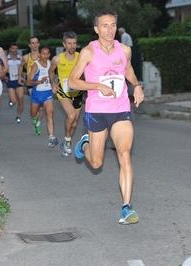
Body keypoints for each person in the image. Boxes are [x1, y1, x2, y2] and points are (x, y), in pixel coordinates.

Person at [68, 9, 144, 225]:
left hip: (120, 109)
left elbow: (128, 70)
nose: (109, 30)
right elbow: (73, 82)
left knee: (125, 154)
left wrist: (136, 85)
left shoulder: (125, 50)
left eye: (112, 25)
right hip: (97, 110)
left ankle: (126, 208)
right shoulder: (88, 52)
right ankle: (85, 145)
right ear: (96, 29)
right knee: (96, 163)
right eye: (104, 25)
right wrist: (97, 85)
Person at [49, 31, 83, 157]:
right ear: (64, 44)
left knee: (74, 123)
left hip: (78, 93)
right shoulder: (57, 59)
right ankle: (67, 142)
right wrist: (53, 84)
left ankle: (66, 140)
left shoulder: (81, 57)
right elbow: (51, 71)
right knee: (71, 115)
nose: (72, 46)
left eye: (74, 43)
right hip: (63, 92)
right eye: (69, 43)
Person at [26, 45, 58, 148]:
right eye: (43, 53)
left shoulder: (50, 64)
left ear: (49, 55)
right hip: (36, 95)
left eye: (47, 54)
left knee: (49, 114)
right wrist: (39, 81)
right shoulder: (36, 66)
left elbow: (52, 75)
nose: (45, 56)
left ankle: (51, 138)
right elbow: (28, 82)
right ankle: (35, 119)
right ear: (39, 54)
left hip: (47, 93)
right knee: (33, 113)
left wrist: (53, 84)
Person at [18, 37, 44, 135]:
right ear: (29, 45)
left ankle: (38, 124)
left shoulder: (43, 57)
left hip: (41, 84)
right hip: (31, 84)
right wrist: (19, 76)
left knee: (42, 107)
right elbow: (21, 66)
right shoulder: (26, 57)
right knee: (36, 103)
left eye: (36, 43)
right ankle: (34, 117)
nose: (35, 45)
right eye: (32, 43)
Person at [5, 42, 23, 123]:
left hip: (18, 80)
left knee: (21, 99)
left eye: (16, 48)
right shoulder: (6, 58)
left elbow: (25, 68)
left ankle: (18, 116)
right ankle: (11, 101)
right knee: (14, 101)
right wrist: (4, 76)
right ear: (10, 49)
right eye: (13, 48)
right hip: (10, 80)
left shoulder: (21, 58)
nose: (14, 50)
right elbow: (1, 68)